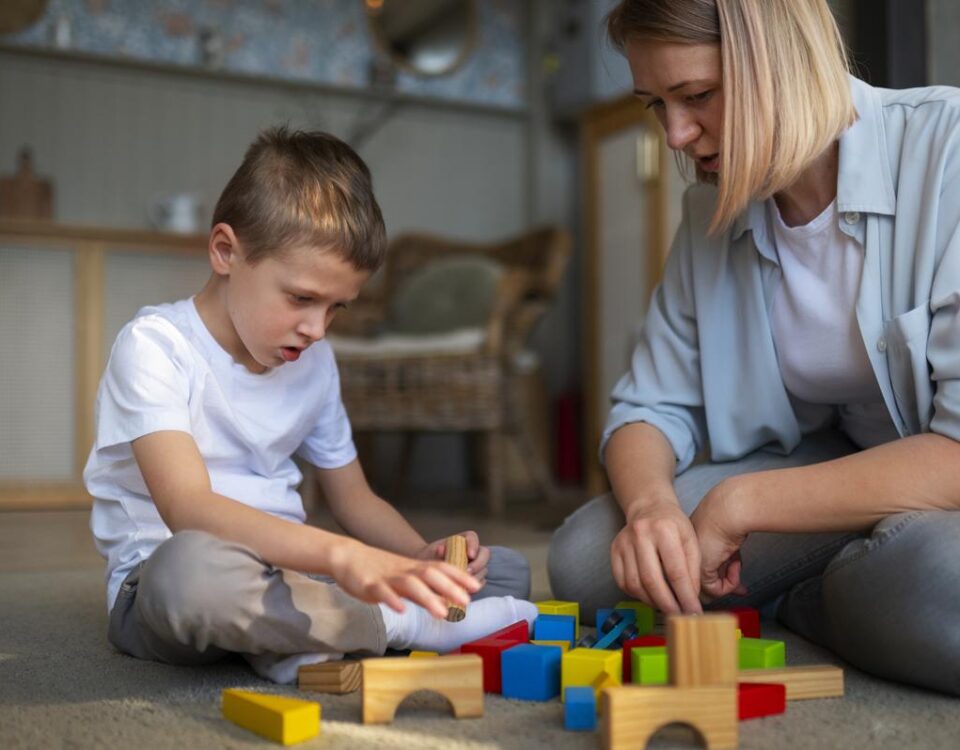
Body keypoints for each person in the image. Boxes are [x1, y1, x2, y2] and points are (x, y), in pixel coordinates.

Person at [548, 0, 960, 695]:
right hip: (834, 464)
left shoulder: (947, 148)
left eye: (698, 95)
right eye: (656, 104)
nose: (676, 135)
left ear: (782, 61)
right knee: (590, 560)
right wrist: (652, 510)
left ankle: (812, 601)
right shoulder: (707, 215)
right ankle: (855, 596)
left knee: (938, 587)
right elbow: (647, 409)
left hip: (941, 481)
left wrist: (739, 504)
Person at [84, 127, 535, 684]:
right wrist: (344, 557)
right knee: (189, 577)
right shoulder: (155, 347)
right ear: (226, 252)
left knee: (503, 572)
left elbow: (355, 499)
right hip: (168, 581)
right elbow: (189, 509)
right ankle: (402, 626)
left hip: (293, 576)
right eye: (301, 298)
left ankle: (299, 633)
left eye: (336, 307)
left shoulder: (315, 362)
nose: (317, 329)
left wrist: (421, 557)